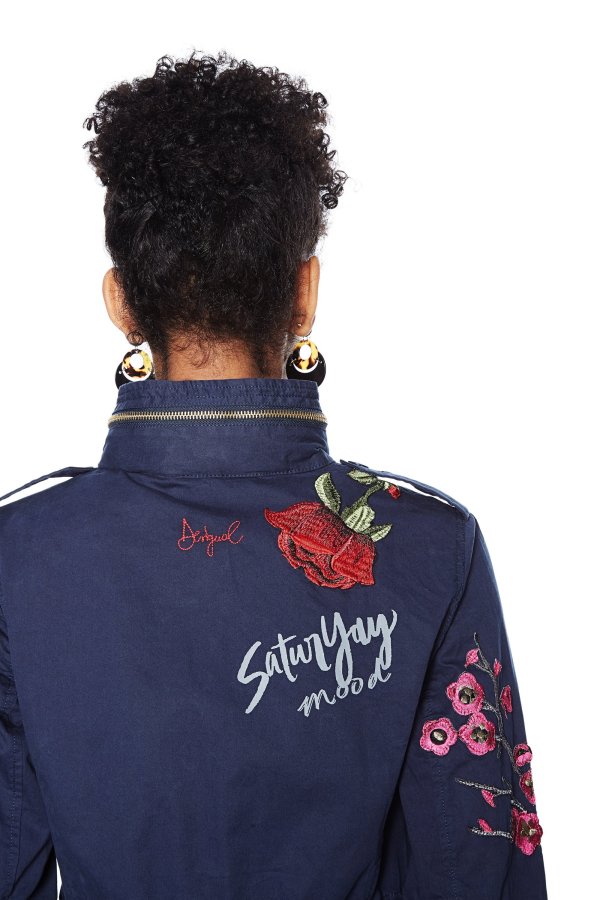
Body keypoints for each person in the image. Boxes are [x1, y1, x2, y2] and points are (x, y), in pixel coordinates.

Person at [0, 50, 547, 900]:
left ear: (121, 303)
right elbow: (475, 873)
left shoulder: (18, 553)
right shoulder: (431, 548)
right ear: (304, 293)